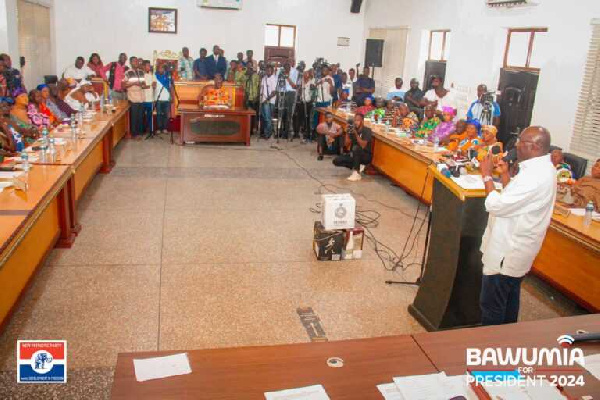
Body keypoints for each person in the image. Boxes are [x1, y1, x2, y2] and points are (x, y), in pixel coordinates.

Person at [479, 126, 555, 325]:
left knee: (492, 306)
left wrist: (487, 175)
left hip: (507, 250)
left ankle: (491, 350)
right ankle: (507, 344)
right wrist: (505, 176)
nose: (516, 145)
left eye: (521, 141)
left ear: (535, 146)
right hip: (518, 248)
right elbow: (516, 199)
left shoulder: (534, 176)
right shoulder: (541, 168)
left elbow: (497, 205)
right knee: (509, 299)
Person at [333, 112, 372, 182]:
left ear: (362, 121)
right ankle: (358, 165)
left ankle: (356, 173)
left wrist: (356, 134)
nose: (356, 122)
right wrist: (347, 132)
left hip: (365, 156)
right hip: (354, 155)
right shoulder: (352, 130)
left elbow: (363, 145)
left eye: (358, 120)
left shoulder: (367, 130)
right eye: (355, 120)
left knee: (356, 148)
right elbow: (346, 144)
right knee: (336, 161)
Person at [123, 56, 146, 137]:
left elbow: (143, 83)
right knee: (134, 117)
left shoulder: (141, 72)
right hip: (133, 98)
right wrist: (134, 83)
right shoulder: (127, 73)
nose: (136, 63)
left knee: (140, 117)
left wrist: (144, 85)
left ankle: (140, 133)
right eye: (134, 61)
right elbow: (124, 85)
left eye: (137, 61)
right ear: (131, 63)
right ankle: (134, 134)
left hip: (141, 97)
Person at [279, 62, 299, 138]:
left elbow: (295, 86)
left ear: (290, 66)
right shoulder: (281, 72)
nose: (286, 68)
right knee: (281, 114)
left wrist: (287, 77)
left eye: (288, 67)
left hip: (291, 94)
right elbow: (279, 84)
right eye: (285, 67)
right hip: (282, 93)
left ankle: (287, 133)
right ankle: (280, 132)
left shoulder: (295, 72)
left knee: (289, 114)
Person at [294, 70, 314, 141]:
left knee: (308, 119)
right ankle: (297, 133)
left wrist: (311, 100)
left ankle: (307, 134)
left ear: (308, 75)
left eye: (306, 74)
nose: (305, 75)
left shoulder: (311, 82)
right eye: (304, 74)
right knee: (299, 118)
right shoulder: (301, 81)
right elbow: (298, 89)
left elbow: (313, 91)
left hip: (308, 102)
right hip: (302, 102)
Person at [260, 65, 278, 139]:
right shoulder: (264, 78)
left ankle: (268, 133)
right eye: (267, 70)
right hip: (263, 100)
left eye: (269, 70)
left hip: (269, 101)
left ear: (272, 71)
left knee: (268, 118)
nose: (267, 71)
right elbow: (262, 88)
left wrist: (267, 99)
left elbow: (274, 92)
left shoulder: (274, 78)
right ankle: (265, 132)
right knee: (264, 118)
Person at [154, 63, 171, 134]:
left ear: (164, 69)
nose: (161, 69)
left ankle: (164, 128)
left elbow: (171, 87)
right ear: (157, 69)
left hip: (166, 99)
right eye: (159, 68)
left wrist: (171, 97)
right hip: (158, 99)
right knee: (159, 114)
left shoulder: (168, 77)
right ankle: (158, 128)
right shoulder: (155, 76)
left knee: (166, 114)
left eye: (162, 68)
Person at [142, 61, 154, 133]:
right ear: (144, 66)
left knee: (150, 116)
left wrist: (153, 85)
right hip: (143, 98)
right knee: (142, 115)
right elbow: (143, 86)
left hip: (150, 98)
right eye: (147, 66)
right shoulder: (141, 74)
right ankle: (143, 129)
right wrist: (150, 86)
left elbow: (154, 84)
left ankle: (151, 130)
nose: (149, 67)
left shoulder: (152, 74)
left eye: (149, 66)